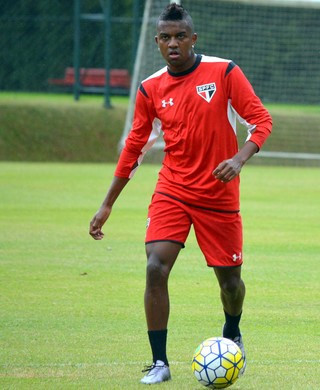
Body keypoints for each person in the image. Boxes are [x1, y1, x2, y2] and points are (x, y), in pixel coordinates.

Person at [89, 2, 272, 385]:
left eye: (180, 37)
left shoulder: (224, 72)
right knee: (155, 267)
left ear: (193, 39)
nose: (173, 44)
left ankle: (232, 328)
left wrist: (238, 159)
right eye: (166, 38)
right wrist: (107, 204)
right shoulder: (150, 89)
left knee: (230, 285)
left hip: (219, 195)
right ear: (157, 42)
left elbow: (261, 121)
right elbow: (134, 149)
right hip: (172, 190)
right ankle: (159, 362)